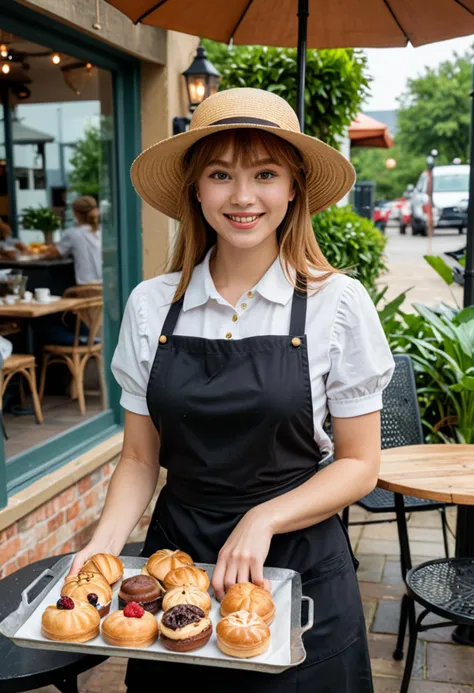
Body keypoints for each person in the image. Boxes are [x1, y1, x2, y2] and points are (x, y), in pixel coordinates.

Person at [68, 88, 395, 692]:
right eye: (221, 175)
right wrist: (99, 553)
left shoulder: (337, 305)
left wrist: (263, 518)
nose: (242, 197)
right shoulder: (149, 307)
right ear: (196, 188)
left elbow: (360, 463)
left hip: (300, 571)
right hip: (176, 573)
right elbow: (141, 460)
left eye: (264, 174)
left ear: (293, 187)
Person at [44, 195, 102, 285]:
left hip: (86, 286)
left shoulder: (72, 234)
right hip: (105, 285)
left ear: (76, 214)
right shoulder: (103, 231)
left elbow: (52, 254)